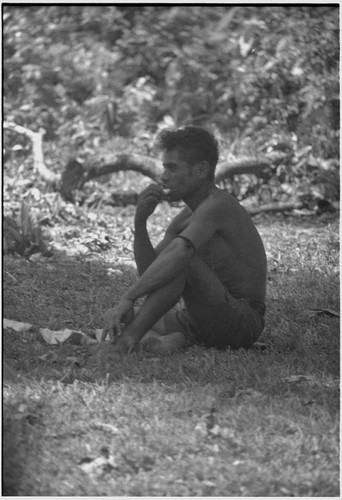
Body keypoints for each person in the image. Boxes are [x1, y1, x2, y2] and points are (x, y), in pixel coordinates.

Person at [101, 126, 267, 355]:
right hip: (198, 318)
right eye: (164, 167)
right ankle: (175, 340)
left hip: (242, 322)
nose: (163, 177)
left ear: (201, 170)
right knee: (121, 318)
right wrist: (140, 224)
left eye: (172, 167)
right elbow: (153, 272)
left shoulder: (218, 205)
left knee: (182, 257)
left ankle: (127, 342)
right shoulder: (185, 217)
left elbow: (180, 255)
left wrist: (129, 297)